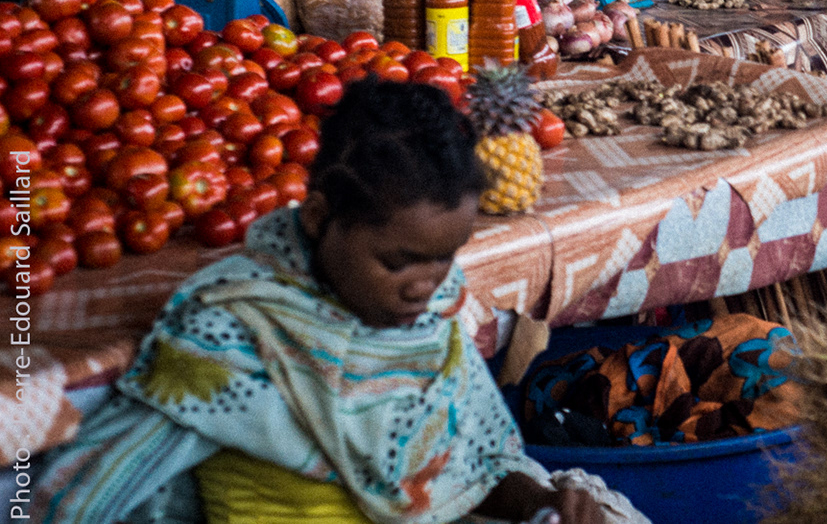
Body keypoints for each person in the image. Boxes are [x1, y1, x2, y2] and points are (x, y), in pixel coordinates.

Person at [39, 82, 611, 524]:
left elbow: (472, 465)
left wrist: (540, 503)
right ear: (318, 218)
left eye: (445, 257)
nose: (425, 285)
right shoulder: (235, 336)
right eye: (398, 262)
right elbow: (84, 492)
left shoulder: (430, 316)